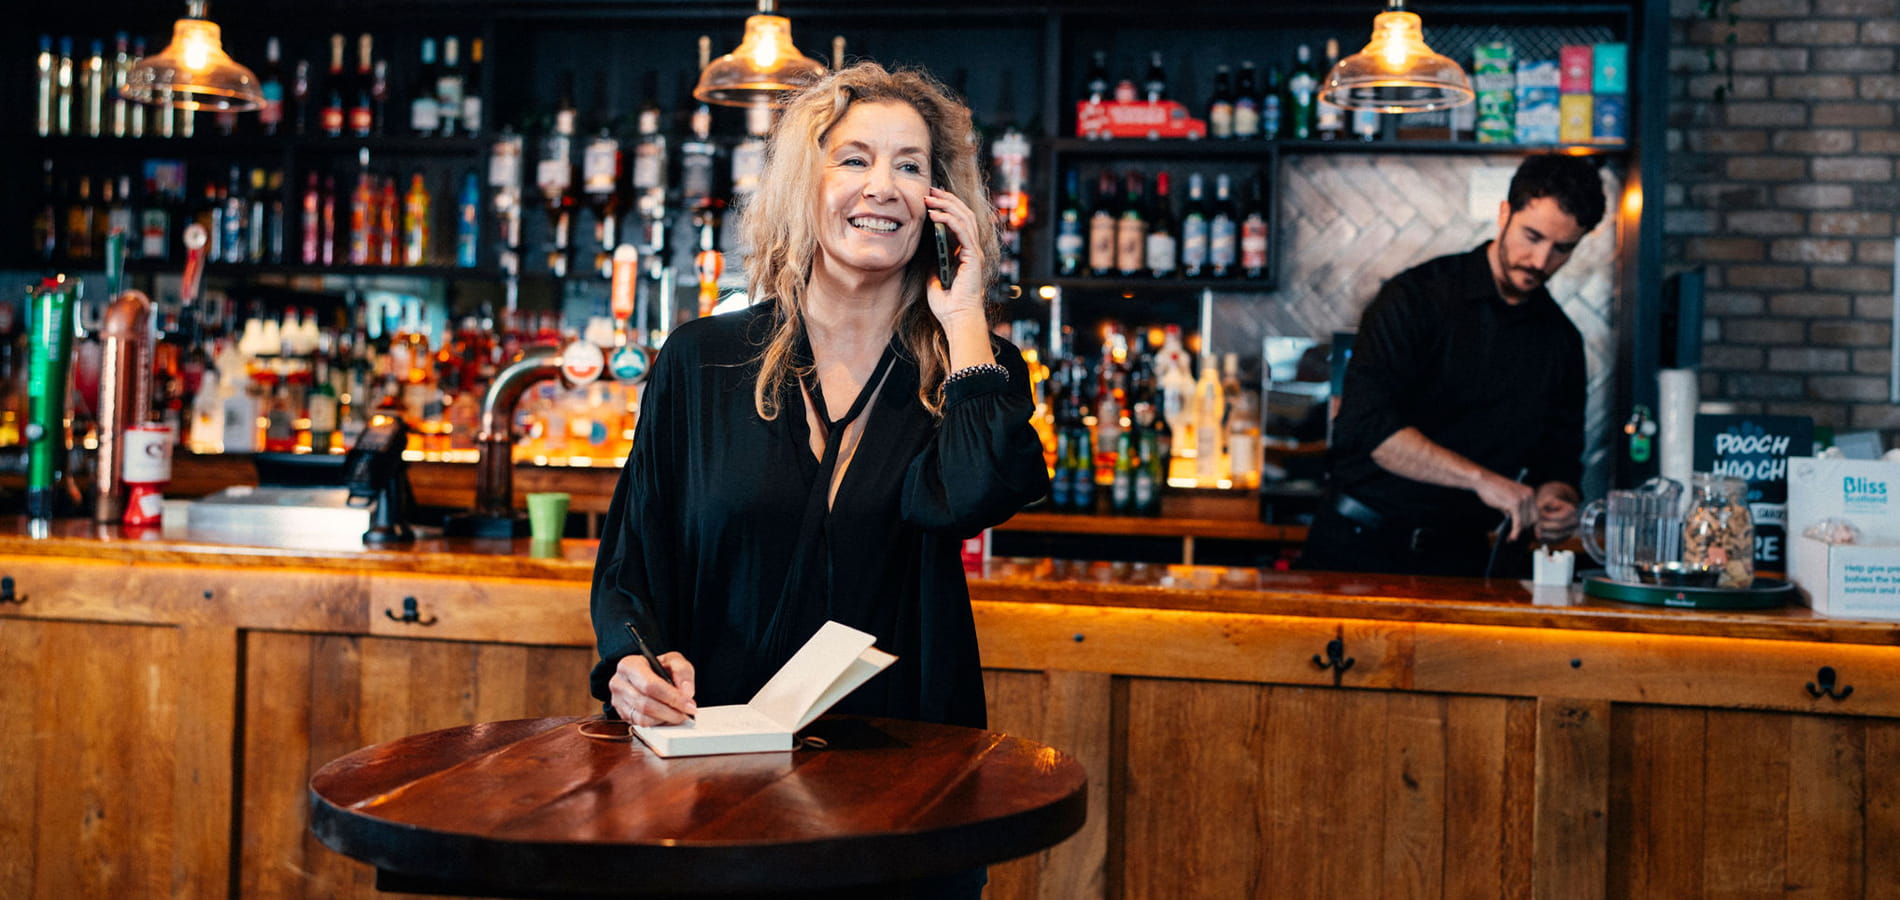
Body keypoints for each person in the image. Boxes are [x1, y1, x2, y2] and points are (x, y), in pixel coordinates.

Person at [588, 62, 1049, 894]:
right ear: (807, 183)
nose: (884, 186)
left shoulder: (974, 366)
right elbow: (628, 565)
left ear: (941, 203)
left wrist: (967, 314)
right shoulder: (702, 360)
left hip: (908, 791)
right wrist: (635, 663)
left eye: (911, 166)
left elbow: (979, 494)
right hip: (715, 781)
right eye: (855, 159)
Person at [1297, 153, 1605, 578]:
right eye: (1531, 236)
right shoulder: (1415, 298)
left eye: (1562, 249)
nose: (1540, 260)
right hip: (1357, 551)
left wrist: (1557, 503)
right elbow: (1369, 429)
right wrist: (1482, 480)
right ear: (1504, 213)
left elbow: (1559, 461)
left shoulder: (1561, 342)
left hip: (1460, 563)